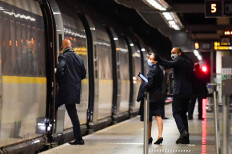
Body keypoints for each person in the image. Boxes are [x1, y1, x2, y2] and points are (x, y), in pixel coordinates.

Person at [155, 47, 193, 144]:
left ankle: (183, 132)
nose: (172, 55)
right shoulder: (188, 62)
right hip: (188, 91)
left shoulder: (179, 60)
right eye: (171, 53)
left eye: (174, 53)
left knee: (176, 112)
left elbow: (169, 64)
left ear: (179, 53)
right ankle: (186, 137)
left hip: (179, 91)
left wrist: (158, 59)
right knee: (183, 114)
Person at [56, 38, 86, 145]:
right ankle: (79, 139)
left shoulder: (63, 56)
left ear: (62, 47)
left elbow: (60, 68)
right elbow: (83, 74)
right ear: (71, 45)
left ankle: (49, 131)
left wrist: (58, 79)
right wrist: (75, 81)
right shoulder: (78, 58)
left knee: (53, 106)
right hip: (74, 90)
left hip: (64, 90)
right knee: (73, 114)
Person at [137, 53, 164, 145]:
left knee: (148, 118)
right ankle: (160, 135)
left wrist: (146, 85)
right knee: (158, 116)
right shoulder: (160, 70)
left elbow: (150, 83)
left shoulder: (152, 70)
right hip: (159, 95)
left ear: (155, 61)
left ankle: (149, 137)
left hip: (151, 96)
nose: (149, 59)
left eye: (150, 58)